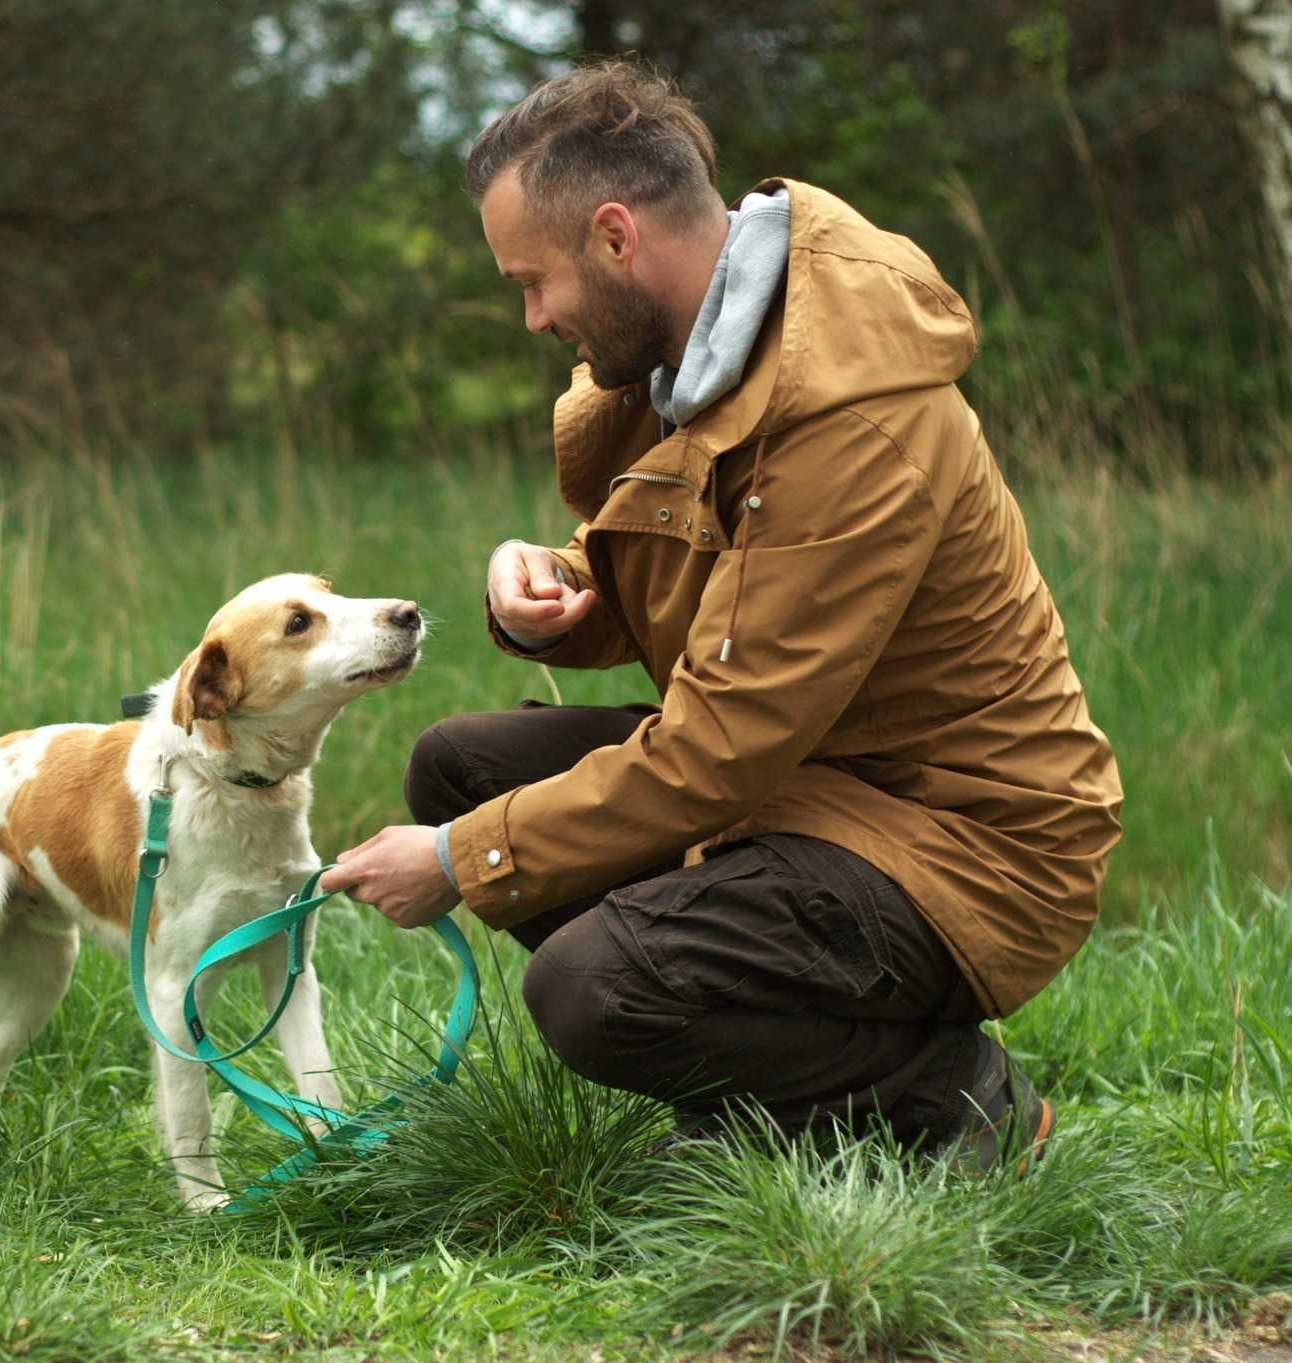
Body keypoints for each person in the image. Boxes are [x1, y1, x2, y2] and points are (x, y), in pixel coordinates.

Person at [316, 57, 1123, 1171]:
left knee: (590, 985)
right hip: (815, 785)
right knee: (463, 765)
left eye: (531, 280)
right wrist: (557, 591)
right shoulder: (703, 355)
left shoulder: (848, 417)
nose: (531, 316)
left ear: (613, 237)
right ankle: (776, 1077)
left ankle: (944, 1099)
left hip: (960, 843)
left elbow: (720, 745)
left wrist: (459, 861)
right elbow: (713, 585)